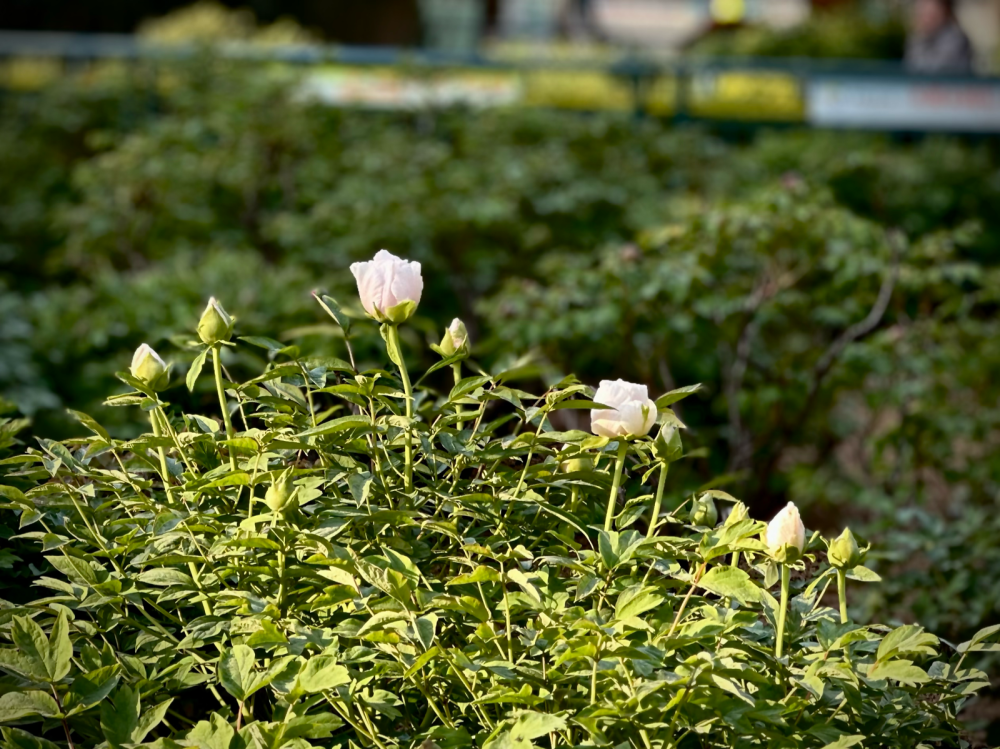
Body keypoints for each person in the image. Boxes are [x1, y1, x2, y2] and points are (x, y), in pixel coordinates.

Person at [905, 0, 974, 74]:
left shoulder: (956, 40)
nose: (922, 10)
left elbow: (935, 73)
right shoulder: (916, 40)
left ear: (944, 9)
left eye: (928, 5)